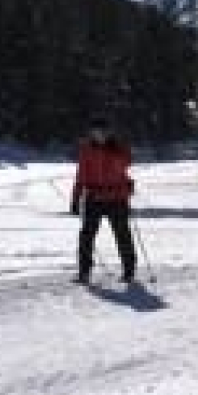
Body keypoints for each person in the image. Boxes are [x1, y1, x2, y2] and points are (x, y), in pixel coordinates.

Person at [71, 116, 137, 285]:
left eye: (103, 131)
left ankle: (129, 270)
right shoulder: (86, 150)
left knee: (122, 235)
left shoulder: (119, 148)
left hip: (117, 199)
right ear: (91, 133)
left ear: (109, 132)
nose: (99, 135)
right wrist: (76, 198)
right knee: (86, 236)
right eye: (96, 131)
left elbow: (127, 162)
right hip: (94, 199)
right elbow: (80, 176)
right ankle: (84, 272)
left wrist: (118, 148)